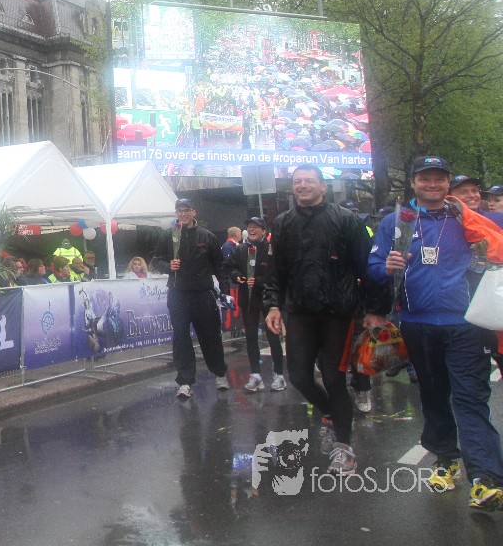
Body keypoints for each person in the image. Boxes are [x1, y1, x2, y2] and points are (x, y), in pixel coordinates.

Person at [369, 155, 503, 510]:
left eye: (439, 179)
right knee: (433, 395)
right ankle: (445, 460)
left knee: (470, 398)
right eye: (424, 179)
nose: (432, 184)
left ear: (447, 183)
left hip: (467, 325)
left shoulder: (468, 217)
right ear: (413, 183)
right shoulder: (397, 221)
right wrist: (385, 267)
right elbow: (373, 267)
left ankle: (486, 478)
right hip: (418, 324)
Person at [263, 164, 383, 475]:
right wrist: (273, 305)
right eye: (297, 181)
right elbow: (277, 270)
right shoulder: (283, 222)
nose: (302, 186)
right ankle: (332, 413)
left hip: (338, 313)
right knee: (299, 377)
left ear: (322, 187)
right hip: (300, 312)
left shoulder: (345, 220)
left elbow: (367, 267)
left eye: (309, 181)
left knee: (333, 377)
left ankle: (344, 447)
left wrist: (373, 309)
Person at [153, 198, 230, 399]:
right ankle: (185, 382)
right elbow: (156, 261)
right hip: (178, 294)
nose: (183, 214)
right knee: (181, 337)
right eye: (180, 210)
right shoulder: (168, 235)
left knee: (210, 336)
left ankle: (220, 373)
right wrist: (168, 266)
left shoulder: (207, 236)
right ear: (176, 213)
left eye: (187, 210)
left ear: (194, 212)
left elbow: (219, 266)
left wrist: (225, 290)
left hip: (202, 294)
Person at [227, 217, 285, 392]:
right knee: (251, 336)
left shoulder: (271, 249)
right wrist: (236, 276)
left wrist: (259, 281)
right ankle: (255, 375)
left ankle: (279, 375)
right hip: (248, 299)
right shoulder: (240, 249)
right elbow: (230, 267)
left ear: (263, 231)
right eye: (250, 227)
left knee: (273, 337)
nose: (252, 229)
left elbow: (278, 273)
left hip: (269, 299)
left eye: (256, 227)